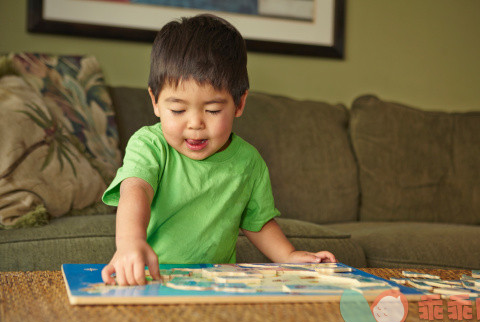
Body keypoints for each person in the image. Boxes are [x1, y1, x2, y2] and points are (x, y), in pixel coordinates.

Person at [101, 14, 336, 286]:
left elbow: (256, 222)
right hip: (150, 278)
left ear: (239, 103)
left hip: (217, 283)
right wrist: (130, 244)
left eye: (213, 110)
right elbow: (135, 190)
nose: (195, 124)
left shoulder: (248, 162)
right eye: (177, 109)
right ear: (155, 101)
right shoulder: (149, 145)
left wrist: (289, 255)